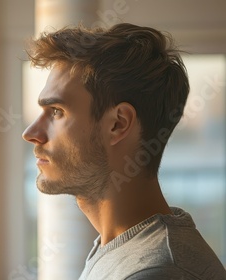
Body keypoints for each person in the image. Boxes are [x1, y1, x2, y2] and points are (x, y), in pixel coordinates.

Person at [22, 23, 226, 279]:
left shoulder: (157, 271)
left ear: (118, 124)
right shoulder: (120, 249)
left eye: (57, 112)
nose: (31, 133)